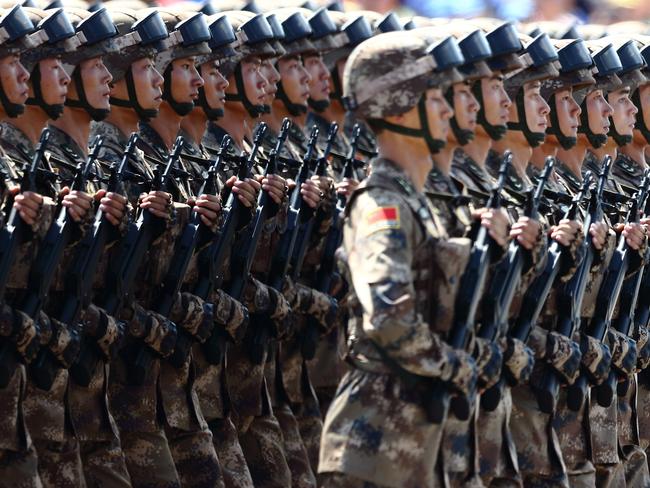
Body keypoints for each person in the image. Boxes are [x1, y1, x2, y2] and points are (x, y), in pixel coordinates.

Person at [319, 30, 478, 488]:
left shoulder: (416, 202)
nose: (448, 110)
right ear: (401, 108)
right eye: (435, 99)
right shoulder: (381, 207)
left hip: (412, 443)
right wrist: (454, 365)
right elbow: (389, 316)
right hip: (374, 448)